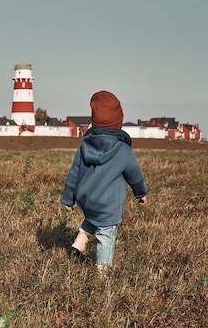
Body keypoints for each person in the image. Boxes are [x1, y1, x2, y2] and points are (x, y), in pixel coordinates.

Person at [61, 90, 148, 276]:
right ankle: (103, 274)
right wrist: (141, 192)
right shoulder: (123, 150)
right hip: (108, 204)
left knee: (94, 216)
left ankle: (80, 240)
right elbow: (135, 174)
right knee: (106, 235)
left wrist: (69, 199)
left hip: (86, 199)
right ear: (119, 122)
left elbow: (74, 172)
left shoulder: (85, 146)